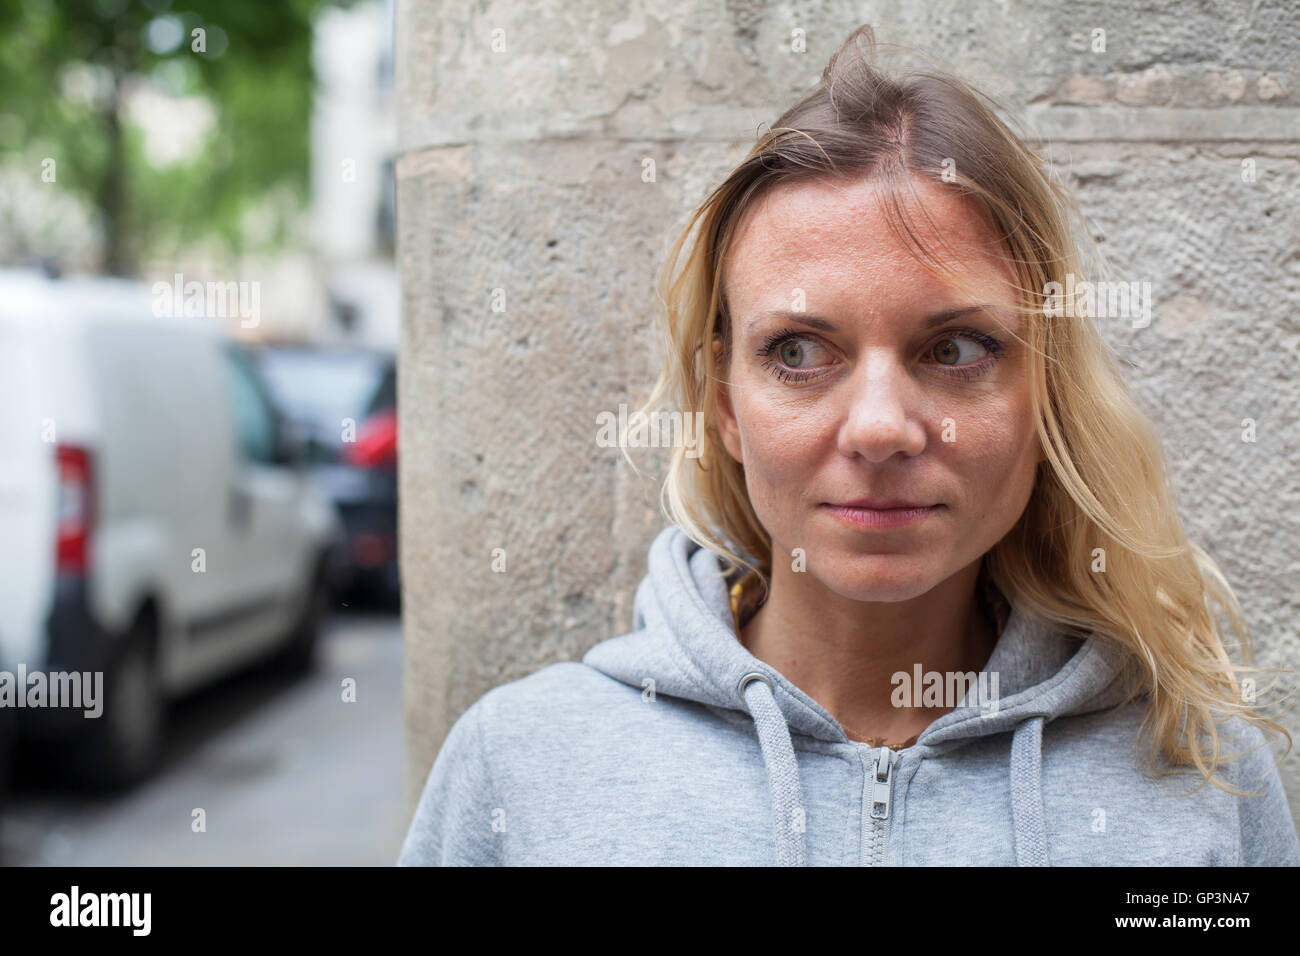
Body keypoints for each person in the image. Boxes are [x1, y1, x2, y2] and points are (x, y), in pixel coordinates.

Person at [397, 24, 1299, 866]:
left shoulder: (1202, 776)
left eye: (954, 350)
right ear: (722, 402)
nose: (877, 427)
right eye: (797, 353)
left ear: (1045, 390)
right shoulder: (523, 769)